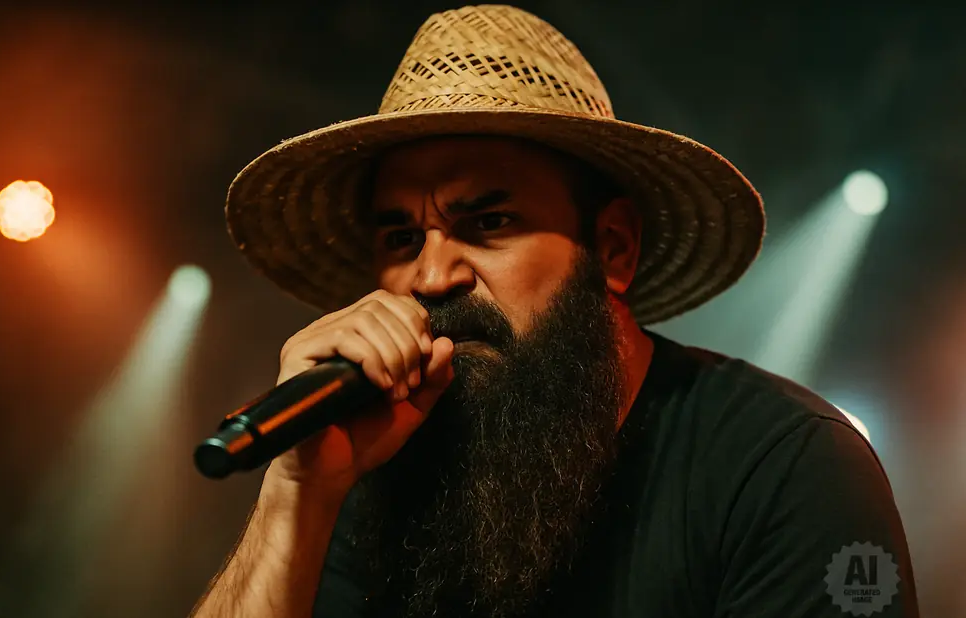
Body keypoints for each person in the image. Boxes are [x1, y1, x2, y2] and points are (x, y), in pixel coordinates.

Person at [192, 5, 918, 617]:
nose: (433, 273)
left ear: (613, 248)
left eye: (489, 222)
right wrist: (298, 492)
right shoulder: (374, 465)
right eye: (400, 237)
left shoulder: (780, 466)